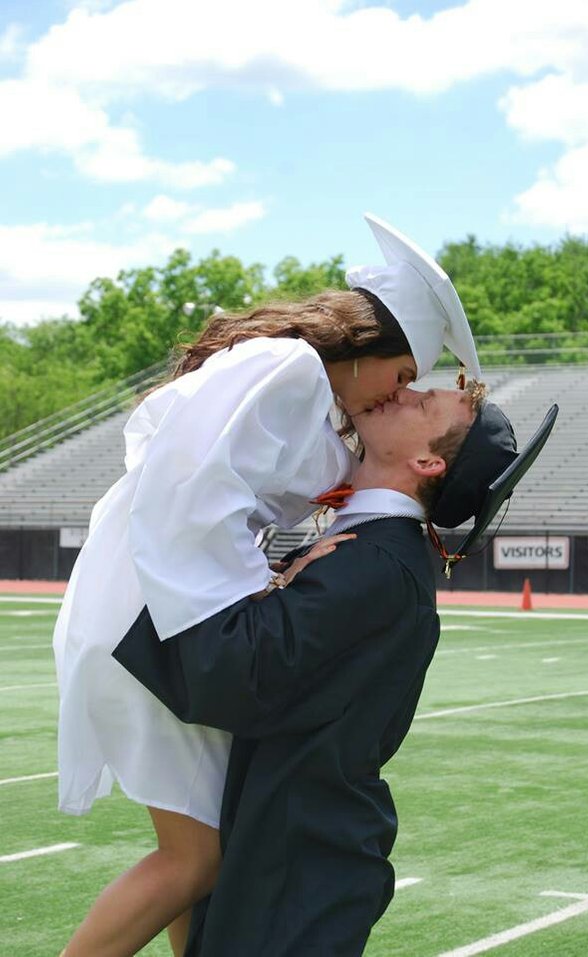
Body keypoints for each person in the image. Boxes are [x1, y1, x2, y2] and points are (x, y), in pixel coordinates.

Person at [54, 214, 482, 957]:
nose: (398, 393)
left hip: (180, 592)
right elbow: (186, 482)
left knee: (209, 843)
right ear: (373, 349)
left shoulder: (315, 402)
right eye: (405, 374)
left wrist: (278, 571)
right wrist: (259, 590)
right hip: (154, 603)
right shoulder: (286, 370)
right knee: (194, 856)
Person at [113, 384, 558, 956]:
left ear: (427, 462)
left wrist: (137, 573)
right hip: (294, 853)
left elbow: (233, 674)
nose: (402, 392)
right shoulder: (372, 550)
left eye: (421, 404)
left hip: (298, 869)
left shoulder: (375, 564)